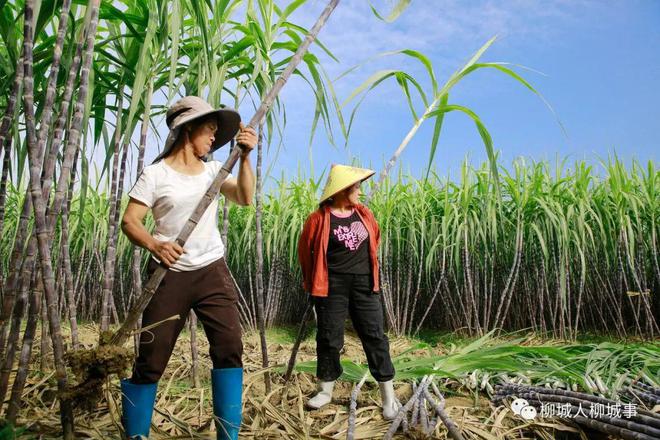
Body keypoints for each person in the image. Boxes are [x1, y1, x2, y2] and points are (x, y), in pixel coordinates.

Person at [119, 95, 257, 440]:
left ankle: (228, 436)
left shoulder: (213, 171)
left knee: (229, 347)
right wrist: (155, 245)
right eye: (209, 130)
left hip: (212, 271)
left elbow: (244, 197)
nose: (214, 137)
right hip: (168, 275)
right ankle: (136, 435)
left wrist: (244, 157)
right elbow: (130, 221)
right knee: (152, 356)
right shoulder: (155, 174)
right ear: (187, 129)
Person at [297, 164, 398, 419]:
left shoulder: (364, 214)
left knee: (375, 336)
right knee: (329, 337)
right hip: (331, 286)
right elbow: (305, 252)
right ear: (342, 190)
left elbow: (375, 238)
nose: (359, 192)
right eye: (356, 187)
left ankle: (388, 396)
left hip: (364, 284)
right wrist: (311, 283)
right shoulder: (318, 219)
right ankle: (325, 391)